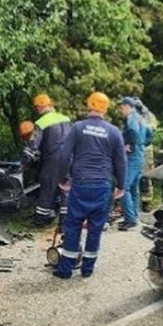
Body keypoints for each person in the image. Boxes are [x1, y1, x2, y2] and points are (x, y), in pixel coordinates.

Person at [53, 92, 126, 278]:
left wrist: (62, 179)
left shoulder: (78, 128)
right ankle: (87, 269)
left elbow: (63, 155)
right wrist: (121, 185)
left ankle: (65, 269)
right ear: (106, 108)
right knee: (95, 227)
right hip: (102, 185)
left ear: (89, 105)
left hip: (81, 183)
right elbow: (121, 161)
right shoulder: (114, 131)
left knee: (73, 225)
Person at [23, 94, 72, 226]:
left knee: (47, 188)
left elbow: (33, 146)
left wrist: (25, 162)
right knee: (65, 190)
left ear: (39, 107)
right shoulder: (66, 119)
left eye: (37, 107)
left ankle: (41, 219)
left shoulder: (41, 123)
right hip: (68, 159)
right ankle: (65, 223)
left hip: (52, 160)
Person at [118, 97, 152, 231]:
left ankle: (130, 219)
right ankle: (134, 215)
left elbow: (132, 131)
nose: (121, 111)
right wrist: (141, 145)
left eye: (121, 107)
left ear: (128, 106)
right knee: (133, 188)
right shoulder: (141, 118)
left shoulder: (131, 118)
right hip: (140, 155)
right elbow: (150, 135)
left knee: (124, 187)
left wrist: (128, 144)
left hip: (132, 156)